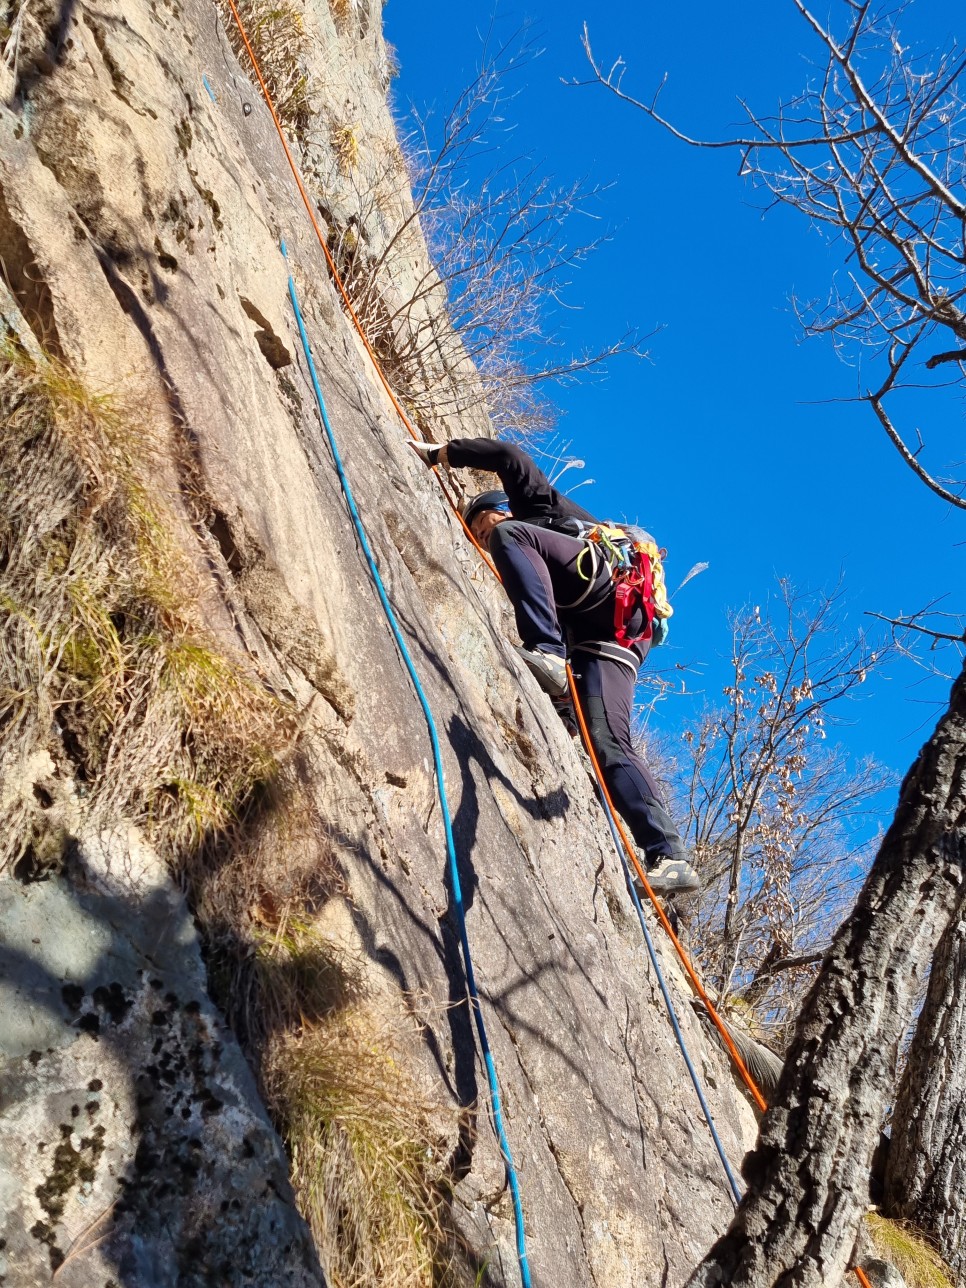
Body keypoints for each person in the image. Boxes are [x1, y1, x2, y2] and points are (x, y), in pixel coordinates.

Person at [410, 435, 700, 898]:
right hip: (610, 637)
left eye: (485, 526)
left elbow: (508, 457)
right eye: (481, 538)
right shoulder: (539, 573)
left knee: (516, 538)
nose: (486, 540)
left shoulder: (534, 508)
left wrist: (439, 455)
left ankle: (546, 650)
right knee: (607, 740)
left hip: (604, 585)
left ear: (503, 505)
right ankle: (669, 853)